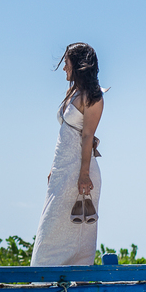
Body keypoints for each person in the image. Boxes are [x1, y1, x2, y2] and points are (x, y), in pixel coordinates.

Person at [30, 43, 104, 267]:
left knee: (74, 228)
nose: (64, 68)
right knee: (50, 224)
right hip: (63, 169)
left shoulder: (93, 97)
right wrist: (54, 169)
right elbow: (66, 136)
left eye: (67, 62)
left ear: (78, 64)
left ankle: (74, 277)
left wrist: (84, 175)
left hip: (81, 171)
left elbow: (88, 136)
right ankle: (42, 278)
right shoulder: (72, 93)